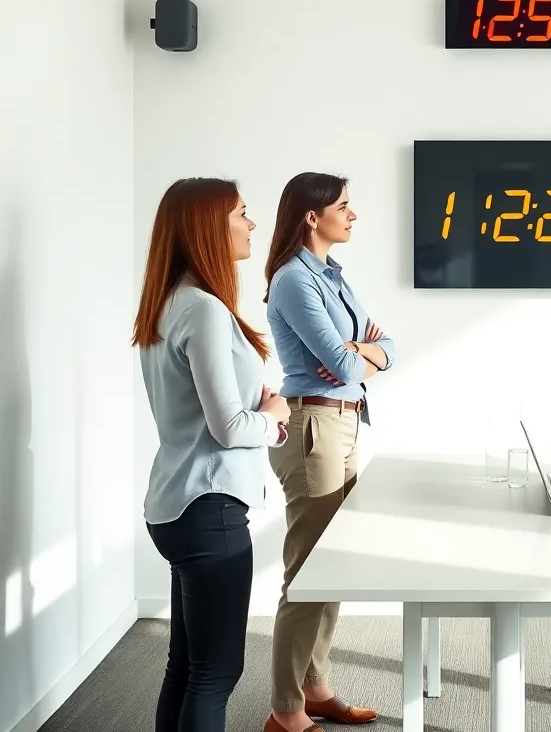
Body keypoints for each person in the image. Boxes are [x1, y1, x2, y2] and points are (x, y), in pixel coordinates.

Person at [133, 178, 291, 732]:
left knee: (188, 664)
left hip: (177, 505)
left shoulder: (168, 302)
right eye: (242, 214)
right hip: (211, 508)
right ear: (208, 227)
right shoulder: (203, 309)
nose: (252, 225)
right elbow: (228, 426)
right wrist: (274, 420)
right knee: (216, 672)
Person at [263, 172, 395, 732]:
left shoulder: (332, 276)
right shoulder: (295, 280)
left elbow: (384, 345)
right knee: (307, 571)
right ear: (312, 217)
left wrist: (364, 351)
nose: (353, 214)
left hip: (344, 421)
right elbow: (345, 366)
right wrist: (360, 354)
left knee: (332, 563)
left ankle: (315, 687)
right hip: (313, 424)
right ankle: (285, 711)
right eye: (344, 206)